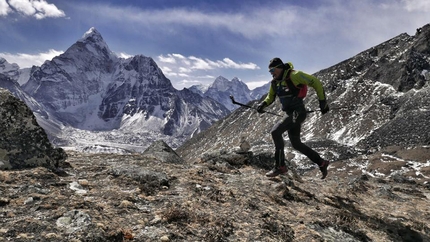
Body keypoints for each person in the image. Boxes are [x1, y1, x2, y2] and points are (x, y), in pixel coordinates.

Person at [257, 57, 330, 179]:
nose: (271, 73)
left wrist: (322, 102)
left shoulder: (295, 75)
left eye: (273, 70)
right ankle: (321, 162)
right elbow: (270, 97)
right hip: (289, 113)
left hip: (298, 112)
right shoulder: (275, 82)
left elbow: (315, 82)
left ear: (280, 67)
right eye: (270, 71)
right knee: (296, 144)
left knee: (275, 132)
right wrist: (263, 104)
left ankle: (280, 166)